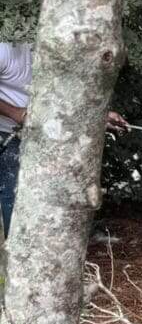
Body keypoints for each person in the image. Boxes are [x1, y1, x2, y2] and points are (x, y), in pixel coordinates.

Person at [0, 41, 126, 237]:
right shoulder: (7, 50)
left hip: (43, 131)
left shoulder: (62, 56)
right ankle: (18, 256)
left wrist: (98, 117)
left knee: (58, 188)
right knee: (15, 193)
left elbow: (69, 99)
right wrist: (16, 112)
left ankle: (56, 245)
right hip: (8, 132)